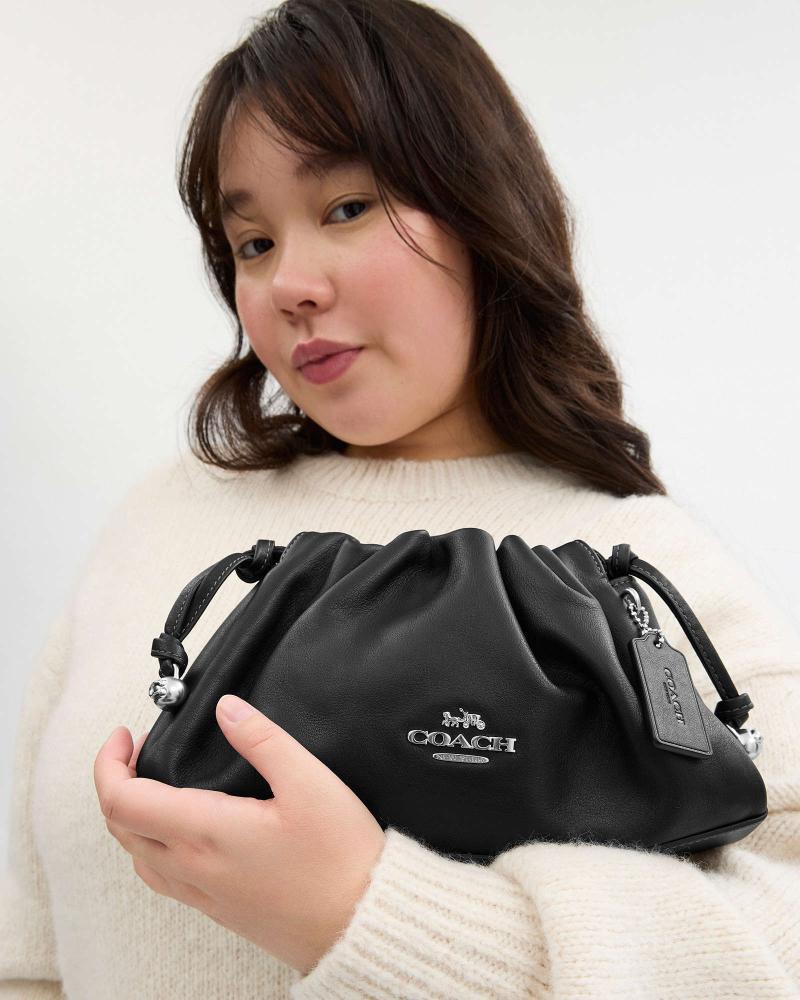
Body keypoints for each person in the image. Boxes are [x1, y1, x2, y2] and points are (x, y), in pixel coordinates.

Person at [3, 0, 798, 997]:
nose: (288, 283)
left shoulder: (644, 563)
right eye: (251, 241)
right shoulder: (161, 526)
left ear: (482, 213)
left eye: (346, 207)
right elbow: (27, 956)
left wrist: (365, 912)